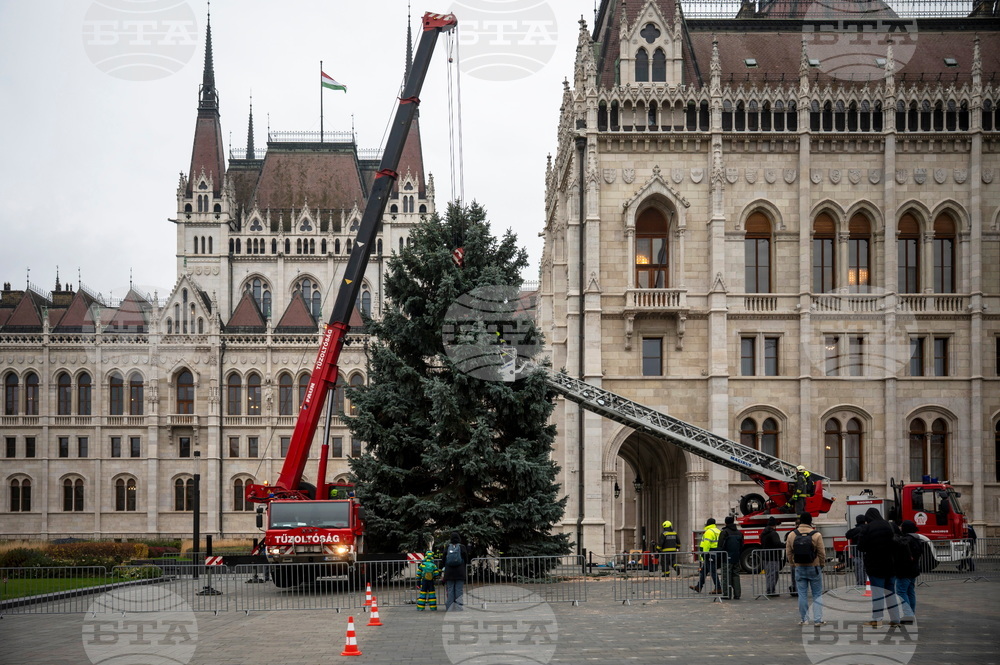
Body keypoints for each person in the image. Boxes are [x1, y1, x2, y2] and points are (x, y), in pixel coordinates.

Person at [857, 507, 901, 627]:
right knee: (891, 593)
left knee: (877, 594)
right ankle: (895, 619)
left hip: (875, 566)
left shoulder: (867, 528)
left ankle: (877, 619)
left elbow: (860, 547)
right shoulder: (890, 525)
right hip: (890, 565)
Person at [786, 512, 825, 626]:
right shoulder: (816, 535)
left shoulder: (792, 534)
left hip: (799, 567)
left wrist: (793, 564)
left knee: (802, 594)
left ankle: (804, 619)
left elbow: (788, 552)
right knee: (817, 594)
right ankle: (818, 619)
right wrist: (821, 564)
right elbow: (821, 552)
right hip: (814, 567)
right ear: (810, 521)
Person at [894, 519, 922, 624]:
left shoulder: (906, 540)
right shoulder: (917, 539)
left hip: (904, 570)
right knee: (910, 592)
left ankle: (908, 615)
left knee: (901, 592)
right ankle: (911, 613)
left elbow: (901, 555)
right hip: (913, 570)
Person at [690, 518, 722, 594]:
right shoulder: (718, 531)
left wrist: (704, 554)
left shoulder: (709, 532)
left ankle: (718, 588)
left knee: (713, 571)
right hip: (717, 553)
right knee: (704, 571)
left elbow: (706, 544)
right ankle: (699, 586)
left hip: (710, 554)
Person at [442, 531, 470, 611]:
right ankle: (459, 607)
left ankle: (450, 607)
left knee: (450, 590)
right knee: (459, 590)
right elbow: (466, 559)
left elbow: (443, 559)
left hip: (449, 572)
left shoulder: (447, 547)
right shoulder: (462, 547)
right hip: (460, 572)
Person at [718, 516, 743, 599]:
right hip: (736, 557)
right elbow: (742, 546)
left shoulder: (724, 532)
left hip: (726, 557)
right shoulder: (739, 533)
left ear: (726, 523)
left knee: (726, 576)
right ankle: (737, 594)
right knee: (736, 575)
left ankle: (726, 594)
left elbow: (720, 546)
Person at [760, 516, 783, 597]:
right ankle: (770, 590)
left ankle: (770, 589)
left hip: (765, 557)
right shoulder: (773, 533)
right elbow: (777, 544)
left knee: (769, 574)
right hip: (773, 557)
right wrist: (785, 545)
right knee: (773, 574)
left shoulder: (763, 533)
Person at [844, 514, 868, 586]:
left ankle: (860, 583)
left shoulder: (855, 530)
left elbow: (847, 535)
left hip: (857, 553)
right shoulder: (868, 528)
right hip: (867, 553)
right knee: (865, 569)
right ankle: (867, 583)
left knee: (858, 569)